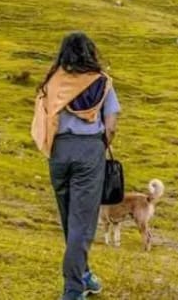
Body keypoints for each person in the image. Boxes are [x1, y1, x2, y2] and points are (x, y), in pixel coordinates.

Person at [31, 32, 120, 300]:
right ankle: (73, 290)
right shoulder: (102, 82)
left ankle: (84, 275)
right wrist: (99, 146)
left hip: (58, 152)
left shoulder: (53, 81)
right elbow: (112, 125)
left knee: (70, 218)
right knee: (82, 222)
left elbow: (43, 118)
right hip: (89, 150)